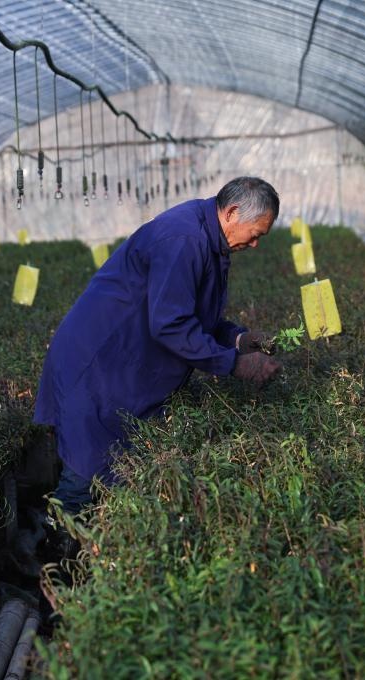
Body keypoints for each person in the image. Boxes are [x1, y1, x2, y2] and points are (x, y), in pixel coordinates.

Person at [33, 176, 283, 515]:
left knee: (116, 466)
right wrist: (235, 364)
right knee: (87, 468)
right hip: (100, 365)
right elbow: (171, 324)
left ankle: (90, 545)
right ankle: (56, 551)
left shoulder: (208, 237)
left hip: (125, 365)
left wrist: (240, 339)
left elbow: (195, 315)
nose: (256, 244)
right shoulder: (183, 239)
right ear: (233, 212)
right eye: (258, 232)